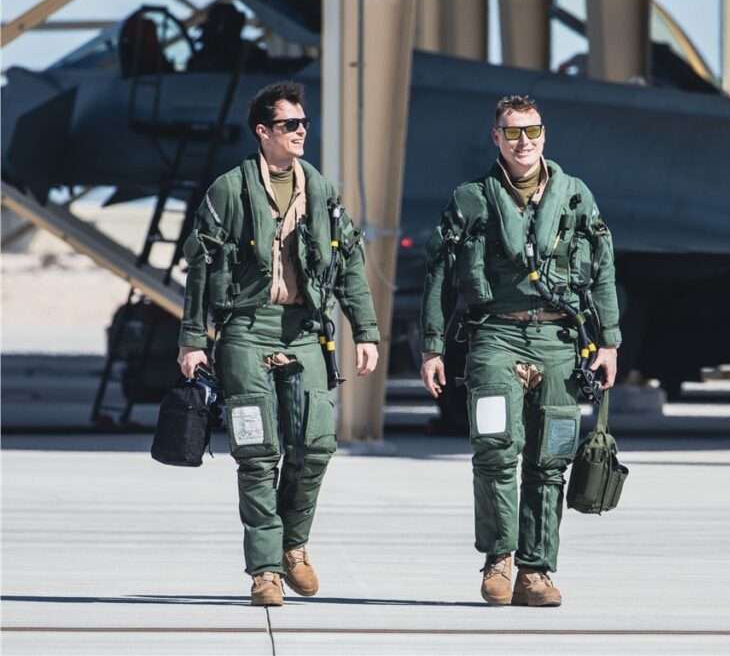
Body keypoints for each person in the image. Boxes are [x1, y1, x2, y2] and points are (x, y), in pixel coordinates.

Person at [177, 81, 380, 606]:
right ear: (263, 132)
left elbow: (350, 264)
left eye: (304, 123)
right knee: (257, 451)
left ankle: (294, 545)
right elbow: (200, 268)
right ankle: (265, 570)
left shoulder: (323, 192)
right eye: (290, 125)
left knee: (316, 445)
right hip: (246, 329)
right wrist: (193, 340)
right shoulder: (229, 190)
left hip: (306, 329)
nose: (301, 132)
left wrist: (366, 330)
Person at [419, 95, 621, 607]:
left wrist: (611, 342)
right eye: (512, 133)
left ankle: (537, 570)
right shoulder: (472, 200)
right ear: (496, 138)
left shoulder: (576, 198)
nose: (523, 142)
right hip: (494, 336)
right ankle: (499, 560)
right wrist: (432, 347)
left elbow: (602, 271)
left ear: (545, 135)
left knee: (550, 458)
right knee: (494, 451)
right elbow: (441, 276)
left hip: (558, 341)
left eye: (531, 131)